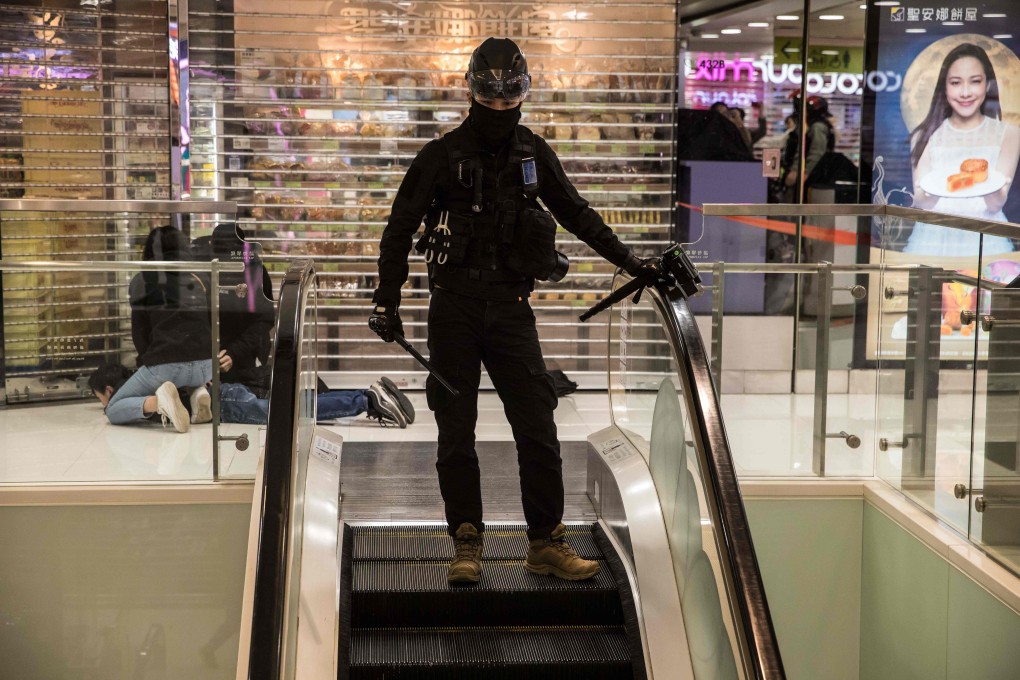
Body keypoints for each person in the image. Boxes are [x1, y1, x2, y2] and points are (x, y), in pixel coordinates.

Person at [369, 37, 653, 584]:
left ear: (523, 93)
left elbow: (577, 214)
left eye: (509, 96)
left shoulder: (533, 152)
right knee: (456, 432)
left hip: (511, 309)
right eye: (490, 95)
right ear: (472, 91)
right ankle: (466, 541)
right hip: (452, 309)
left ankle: (545, 542)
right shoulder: (439, 156)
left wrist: (631, 261)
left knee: (538, 428)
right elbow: (399, 228)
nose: (499, 106)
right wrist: (387, 297)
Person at [905, 42, 1020, 255]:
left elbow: (996, 204)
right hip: (933, 236)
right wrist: (932, 191)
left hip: (986, 236)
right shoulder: (924, 135)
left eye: (975, 81)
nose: (965, 92)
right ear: (944, 87)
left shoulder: (1009, 134)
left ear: (987, 84)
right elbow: (922, 204)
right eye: (956, 83)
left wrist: (990, 184)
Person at [98, 226, 213, 433]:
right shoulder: (201, 277)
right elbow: (209, 322)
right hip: (206, 365)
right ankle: (199, 392)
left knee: (113, 408)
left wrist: (147, 363)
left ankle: (159, 403)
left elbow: (139, 334)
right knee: (186, 374)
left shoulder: (143, 279)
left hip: (168, 364)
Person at [90, 363, 415, 428]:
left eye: (101, 398)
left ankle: (366, 400)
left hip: (225, 402)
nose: (104, 405)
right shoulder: (148, 373)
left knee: (283, 412)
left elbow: (114, 411)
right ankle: (366, 396)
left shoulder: (134, 391)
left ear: (109, 390)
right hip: (226, 392)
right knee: (283, 408)